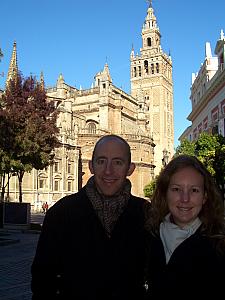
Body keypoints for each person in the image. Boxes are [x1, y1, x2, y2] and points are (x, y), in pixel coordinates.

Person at [31, 134, 149, 300]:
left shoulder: (146, 214)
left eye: (117, 162)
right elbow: (42, 281)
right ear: (91, 166)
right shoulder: (60, 213)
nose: (108, 171)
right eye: (101, 161)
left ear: (130, 169)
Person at [144, 154, 225, 299]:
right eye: (176, 189)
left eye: (194, 190)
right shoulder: (148, 237)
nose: (185, 199)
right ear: (165, 193)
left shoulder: (219, 245)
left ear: (205, 196)